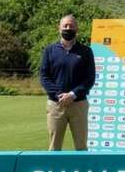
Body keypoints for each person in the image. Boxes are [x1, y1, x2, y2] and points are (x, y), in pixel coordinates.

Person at [39, 14, 96, 150]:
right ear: (59, 28)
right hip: (55, 105)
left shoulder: (86, 51)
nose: (68, 28)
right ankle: (53, 171)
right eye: (65, 26)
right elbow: (44, 77)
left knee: (81, 146)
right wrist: (60, 95)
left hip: (79, 104)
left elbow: (90, 78)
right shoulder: (49, 50)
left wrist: (72, 94)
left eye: (71, 26)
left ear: (76, 28)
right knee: (54, 147)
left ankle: (83, 171)